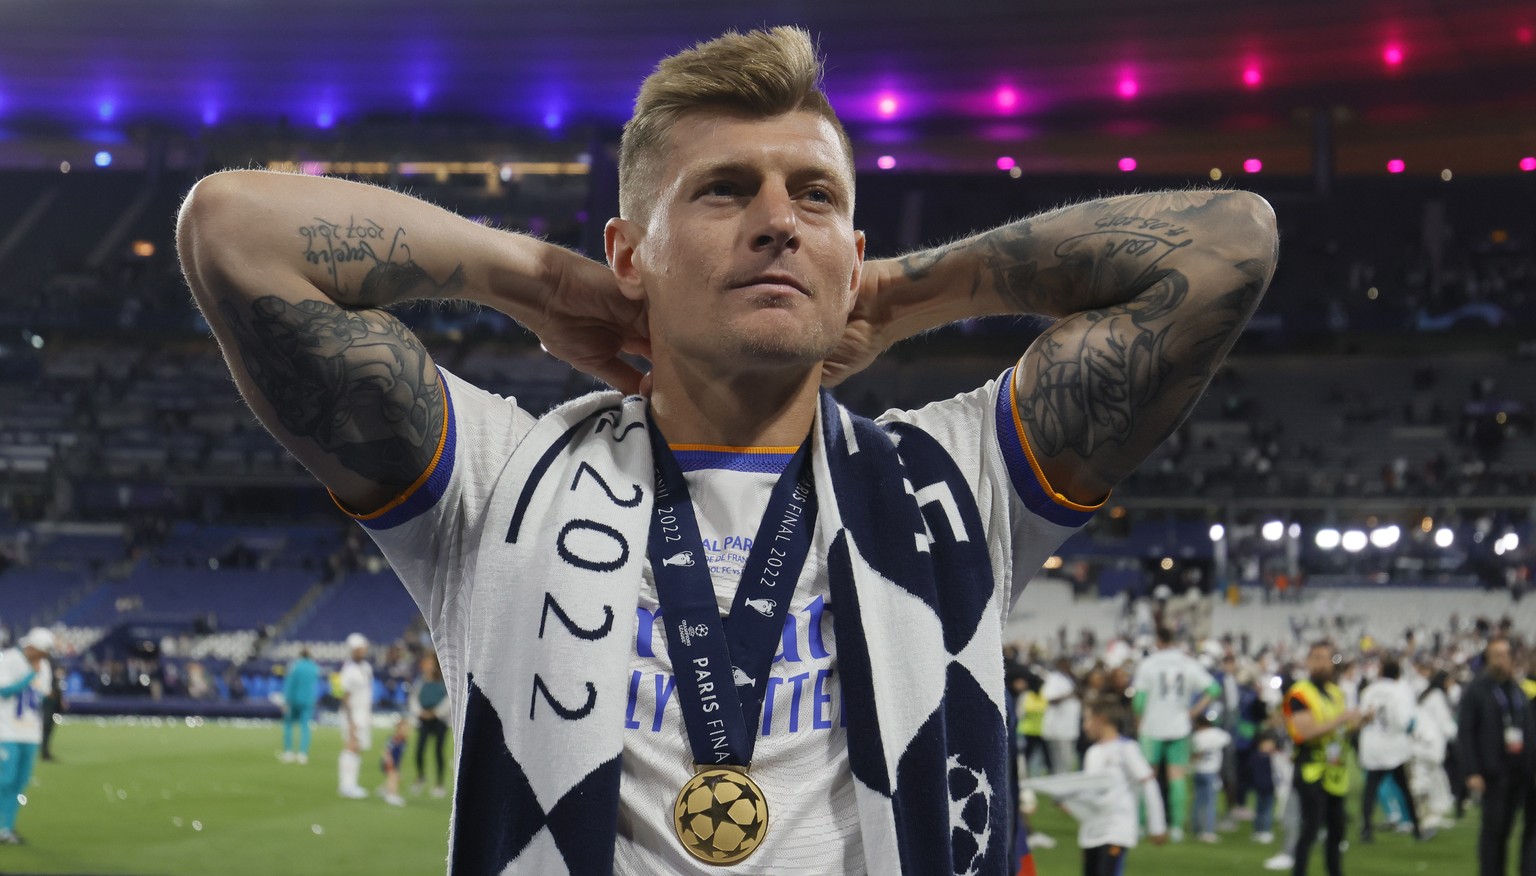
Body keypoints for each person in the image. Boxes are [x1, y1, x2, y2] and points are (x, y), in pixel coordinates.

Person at [175, 25, 1278, 872]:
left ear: (849, 251)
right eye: (722, 190)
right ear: (629, 252)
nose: (776, 219)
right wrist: (539, 279)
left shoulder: (954, 480)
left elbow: (1233, 245)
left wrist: (901, 293)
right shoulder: (502, 479)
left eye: (814, 196)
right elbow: (231, 231)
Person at [1022, 696, 1168, 875]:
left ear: (1102, 719)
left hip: (1116, 830)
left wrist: (1157, 825)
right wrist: (1070, 803)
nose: (1085, 726)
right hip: (1091, 831)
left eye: (1088, 720)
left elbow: (1148, 782)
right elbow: (1091, 791)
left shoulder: (1126, 749)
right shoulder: (1094, 752)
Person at [1284, 640, 1368, 876]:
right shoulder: (1299, 693)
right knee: (1310, 829)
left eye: (1325, 657)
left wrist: (1360, 722)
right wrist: (1341, 719)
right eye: (1315, 657)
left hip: (1334, 770)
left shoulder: (1335, 693)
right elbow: (1306, 732)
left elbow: (1342, 731)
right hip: (1311, 769)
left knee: (1337, 830)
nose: (1320, 663)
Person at [1130, 625, 1221, 840]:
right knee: (1177, 779)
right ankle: (1177, 827)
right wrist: (1193, 712)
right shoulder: (1188, 663)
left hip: (1151, 727)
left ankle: (1143, 824)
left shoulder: (1148, 664)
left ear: (1158, 641)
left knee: (1146, 777)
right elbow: (1214, 689)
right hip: (1180, 726)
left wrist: (1138, 722)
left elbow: (1139, 701)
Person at [1458, 636, 1534, 876]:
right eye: (1495, 656)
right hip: (1492, 773)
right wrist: (1471, 770)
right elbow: (1465, 733)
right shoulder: (1476, 690)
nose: (1501, 661)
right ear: (1488, 659)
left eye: (1504, 655)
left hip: (1518, 772)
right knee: (1493, 833)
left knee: (1508, 831)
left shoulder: (1516, 690)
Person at [1356, 658, 1424, 841]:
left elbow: (1362, 716)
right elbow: (1403, 721)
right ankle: (1417, 829)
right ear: (1398, 674)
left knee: (1370, 790)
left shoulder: (1369, 691)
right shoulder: (1398, 692)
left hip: (1372, 746)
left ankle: (1366, 829)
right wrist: (1412, 728)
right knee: (1405, 788)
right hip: (1393, 747)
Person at [0, 628, 54, 844]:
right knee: (5, 779)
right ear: (30, 646)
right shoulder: (9, 659)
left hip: (30, 732)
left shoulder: (45, 666)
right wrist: (30, 675)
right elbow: (3, 691)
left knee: (19, 783)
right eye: (41, 652)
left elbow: (43, 694)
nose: (43, 657)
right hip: (6, 730)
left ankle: (6, 828)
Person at [1409, 670, 1456, 831]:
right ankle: (1424, 815)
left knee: (1433, 778)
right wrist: (1455, 733)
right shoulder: (1437, 697)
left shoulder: (1427, 695)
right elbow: (1444, 722)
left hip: (1421, 742)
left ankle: (1430, 814)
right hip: (1429, 744)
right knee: (1425, 780)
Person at [337, 633, 374, 800]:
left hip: (363, 713)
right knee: (351, 746)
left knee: (357, 748)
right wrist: (350, 721)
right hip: (352, 715)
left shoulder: (365, 667)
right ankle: (346, 785)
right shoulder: (349, 670)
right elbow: (345, 696)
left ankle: (352, 784)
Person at [411, 651, 450, 798]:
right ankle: (420, 777)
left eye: (429, 662)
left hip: (439, 720)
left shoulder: (444, 680)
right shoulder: (421, 680)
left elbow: (448, 699)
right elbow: (413, 698)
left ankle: (439, 784)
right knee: (419, 750)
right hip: (423, 718)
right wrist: (421, 712)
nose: (426, 665)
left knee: (438, 752)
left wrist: (436, 712)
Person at [1191, 712, 1231, 843]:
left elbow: (1194, 754)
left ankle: (1196, 828)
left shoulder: (1196, 736)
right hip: (1211, 772)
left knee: (1197, 801)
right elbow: (1227, 739)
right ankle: (1208, 831)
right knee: (1210, 803)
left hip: (1198, 770)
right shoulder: (1216, 733)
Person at [280, 646, 321, 764]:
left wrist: (286, 701)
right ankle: (303, 754)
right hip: (308, 700)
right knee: (305, 727)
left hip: (294, 700)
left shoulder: (295, 666)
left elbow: (289, 684)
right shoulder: (314, 667)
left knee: (288, 725)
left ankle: (288, 752)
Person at [1042, 657, 1082, 775]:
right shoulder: (1054, 679)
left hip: (1068, 727)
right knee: (1061, 763)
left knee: (1067, 762)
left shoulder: (1069, 678)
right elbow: (1050, 699)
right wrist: (1069, 695)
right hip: (1058, 728)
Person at [379, 717, 410, 807]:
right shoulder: (394, 739)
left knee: (396, 777)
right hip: (389, 762)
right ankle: (391, 795)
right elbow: (386, 750)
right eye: (404, 729)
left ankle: (384, 789)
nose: (407, 731)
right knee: (393, 778)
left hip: (396, 763)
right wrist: (389, 761)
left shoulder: (404, 740)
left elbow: (400, 756)